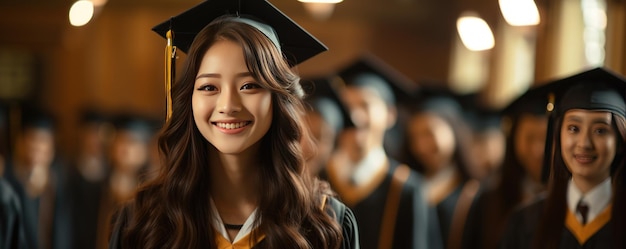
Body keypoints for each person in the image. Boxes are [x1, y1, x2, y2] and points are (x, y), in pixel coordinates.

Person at [109, 0, 359, 248]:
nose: (228, 105)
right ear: (189, 101)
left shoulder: (325, 224)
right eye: (209, 87)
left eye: (249, 85)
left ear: (277, 99)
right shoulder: (142, 223)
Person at [500, 67, 626, 249]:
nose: (584, 143)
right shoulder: (524, 222)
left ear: (620, 141)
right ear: (558, 136)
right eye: (573, 128)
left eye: (600, 130)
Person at [326, 55, 429, 249]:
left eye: (365, 105)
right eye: (347, 107)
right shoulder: (316, 179)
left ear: (390, 115)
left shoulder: (406, 189)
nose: (355, 116)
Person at [462, 84, 551, 249]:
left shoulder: (567, 201)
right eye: (529, 138)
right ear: (513, 140)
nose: (537, 149)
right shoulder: (488, 200)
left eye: (545, 138)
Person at [400, 86, 477, 249]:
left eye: (429, 133)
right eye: (414, 137)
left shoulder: (474, 193)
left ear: (453, 130)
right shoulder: (404, 186)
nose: (421, 146)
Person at [4, 105, 72, 249]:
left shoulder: (58, 181)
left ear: (52, 147)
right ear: (21, 142)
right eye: (32, 139)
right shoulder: (8, 180)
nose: (37, 147)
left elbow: (63, 233)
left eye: (43, 140)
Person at [67, 108, 113, 249]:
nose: (95, 139)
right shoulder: (69, 171)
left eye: (99, 133)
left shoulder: (111, 173)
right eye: (91, 133)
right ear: (81, 134)